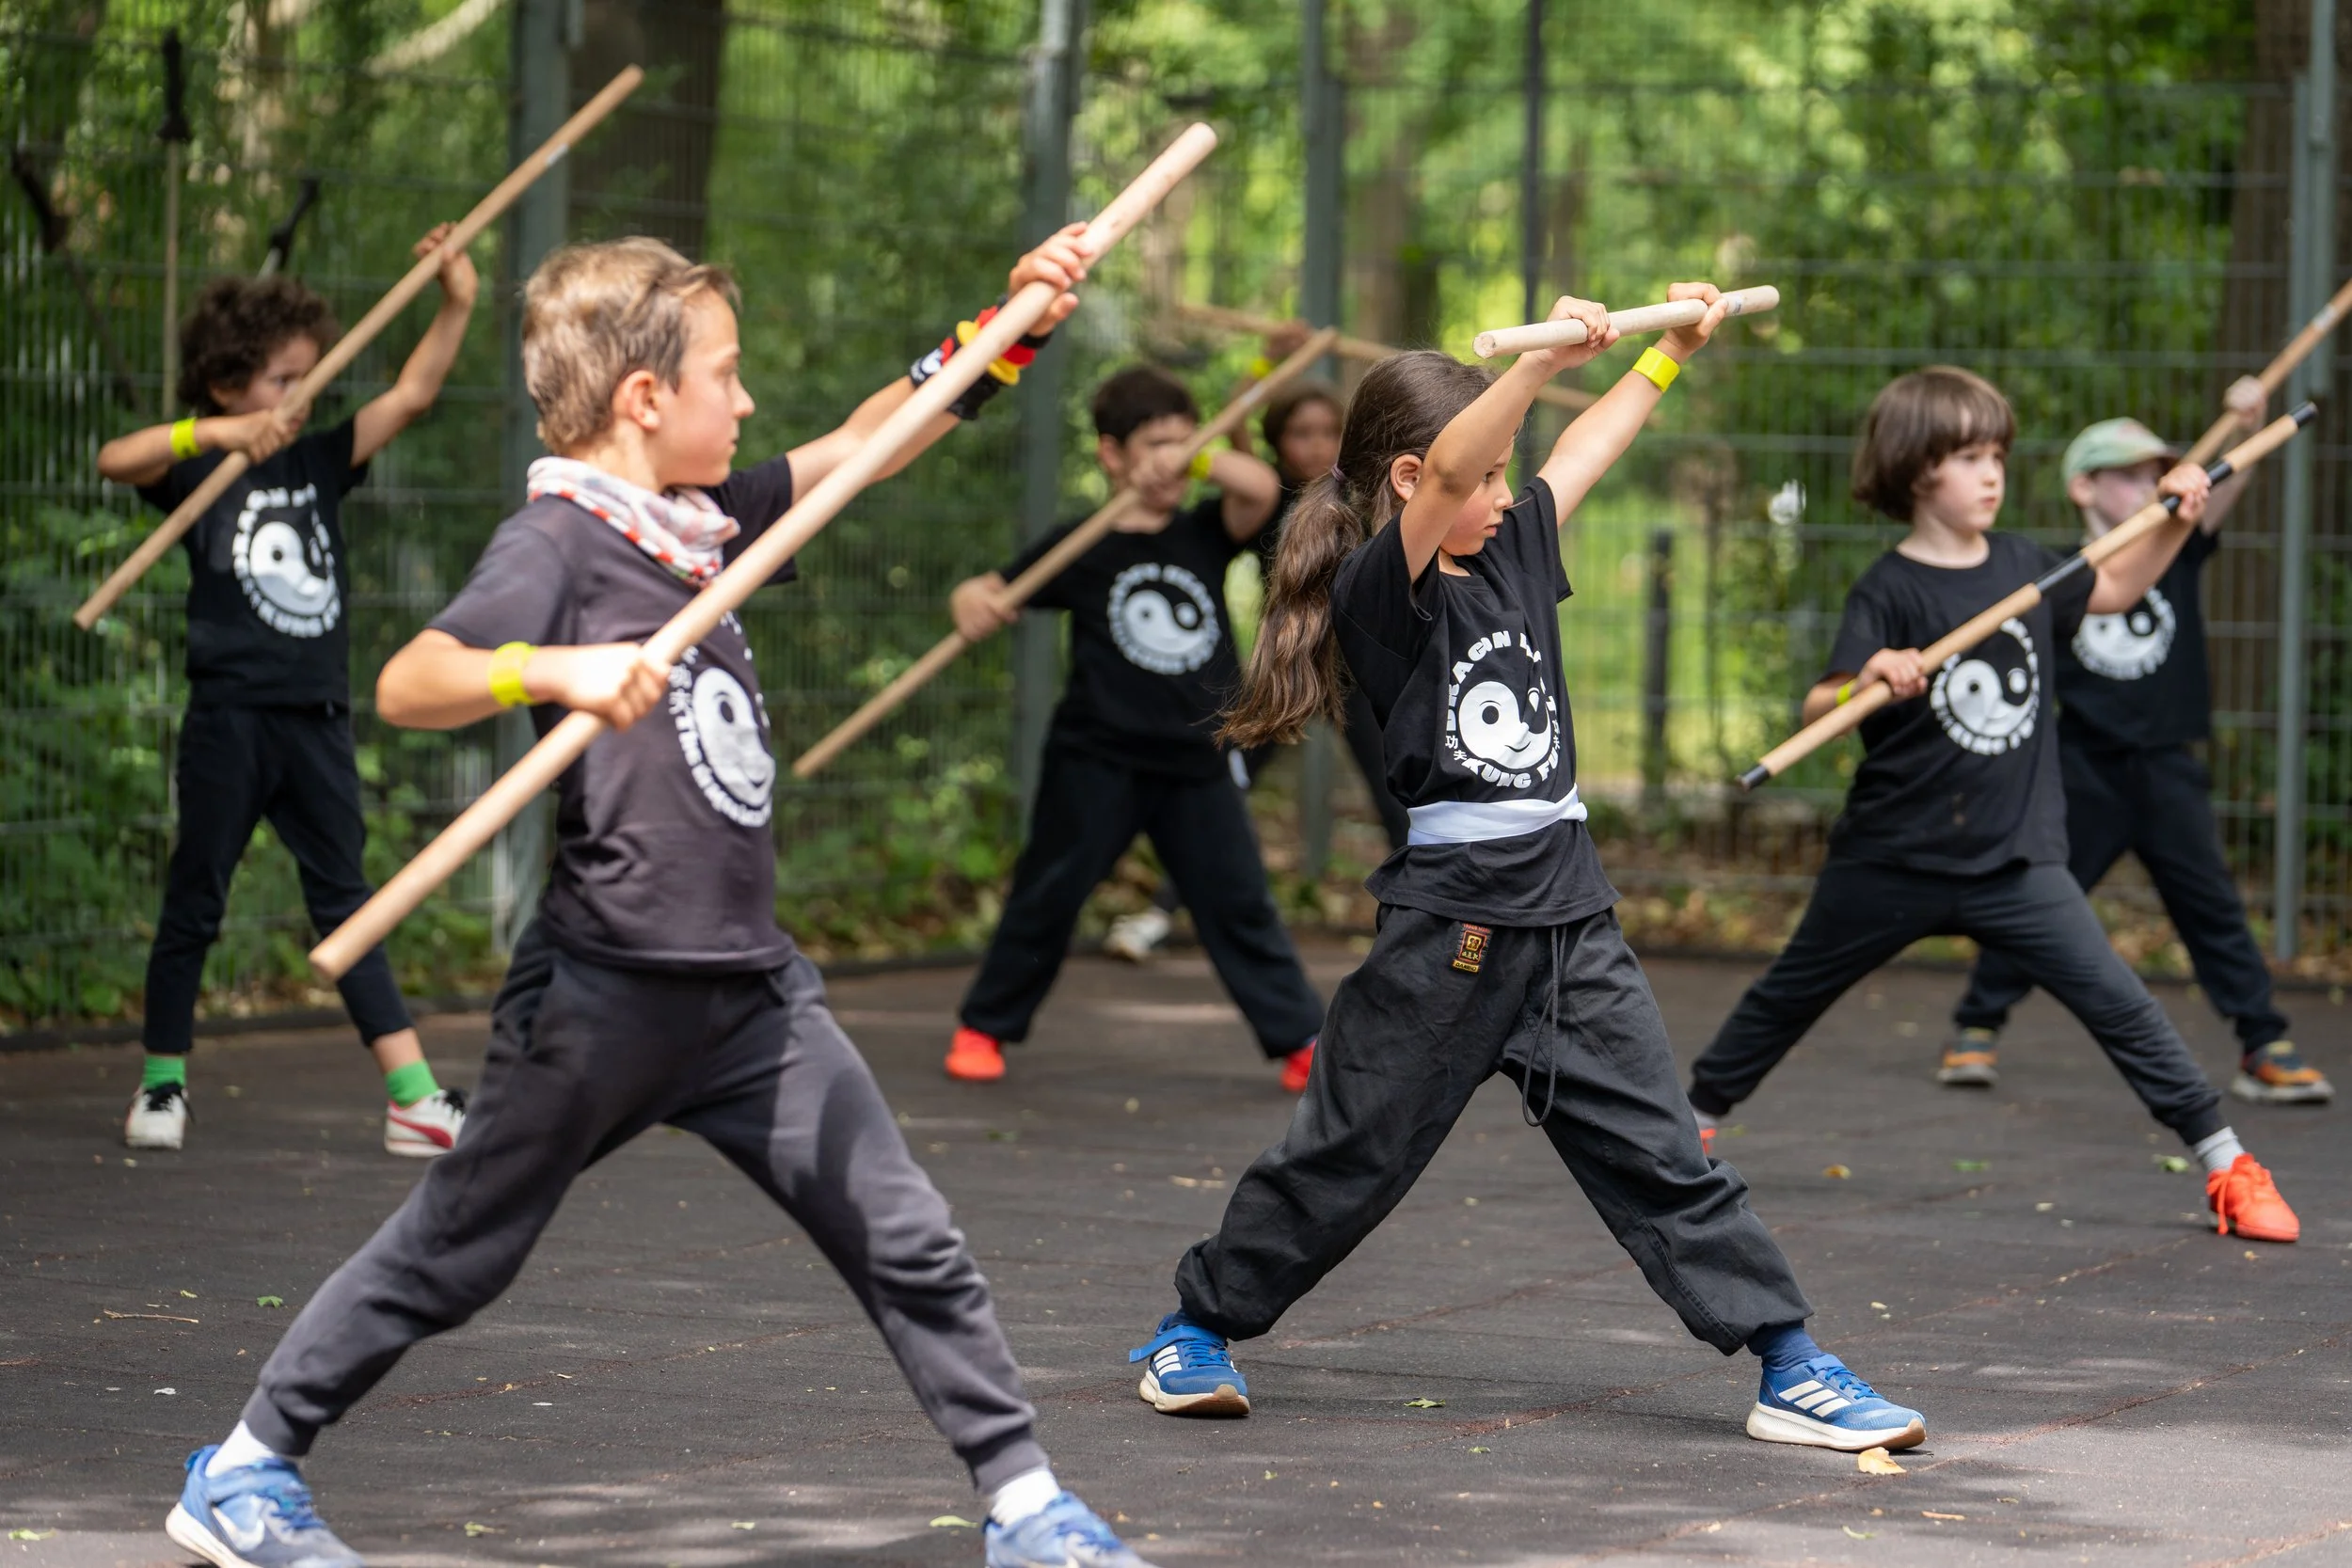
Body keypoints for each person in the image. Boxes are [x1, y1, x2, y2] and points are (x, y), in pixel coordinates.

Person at [163, 232, 1163, 1568]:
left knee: (906, 1233)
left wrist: (1015, 320)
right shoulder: (558, 540)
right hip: (602, 990)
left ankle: (1027, 1502)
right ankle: (244, 1468)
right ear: (645, 398)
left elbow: (878, 436)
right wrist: (555, 671)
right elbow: (416, 678)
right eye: (727, 375)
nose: (746, 404)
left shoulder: (713, 517)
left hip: (751, 993)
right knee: (457, 1247)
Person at [1124, 288, 1931, 1457]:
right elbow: (1464, 464)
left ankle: (1788, 1360)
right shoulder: (1379, 593)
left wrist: (1665, 353)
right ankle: (1194, 1325)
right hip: (1447, 928)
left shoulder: (1514, 544)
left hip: (1569, 913)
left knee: (1662, 1149)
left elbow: (1592, 442)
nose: (1510, 492)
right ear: (1410, 480)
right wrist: (1537, 364)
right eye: (1492, 474)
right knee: (1351, 1152)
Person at [1684, 368, 2301, 1245]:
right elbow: (1821, 710)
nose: (1992, 473)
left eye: (1997, 455)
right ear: (1915, 469)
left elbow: (2119, 587)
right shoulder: (1888, 588)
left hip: (2015, 859)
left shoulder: (2025, 566)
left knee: (2122, 1005)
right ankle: (1692, 1123)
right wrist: (1869, 676)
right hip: (1893, 855)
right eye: (1969, 457)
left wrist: (2178, 516)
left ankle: (2226, 1161)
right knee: (1789, 993)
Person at [96, 227, 478, 1158]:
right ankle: (162, 1084)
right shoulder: (199, 466)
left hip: (315, 719)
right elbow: (116, 456)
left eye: (309, 376)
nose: (299, 396)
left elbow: (415, 392)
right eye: (280, 380)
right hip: (229, 716)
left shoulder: (320, 457)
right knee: (197, 894)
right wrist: (218, 434)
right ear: (228, 386)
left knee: (349, 899)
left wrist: (456, 298)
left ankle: (413, 1097)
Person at [943, 366, 1327, 1092]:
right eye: (1155, 446)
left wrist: (1199, 456)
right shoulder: (1078, 546)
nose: (1171, 462)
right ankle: (983, 1026)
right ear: (1110, 454)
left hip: (1198, 757)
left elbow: (1263, 491)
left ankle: (1299, 1037)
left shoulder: (1205, 530)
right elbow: (990, 590)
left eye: (1186, 446)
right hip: (1097, 754)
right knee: (1049, 890)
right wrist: (971, 600)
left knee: (1238, 898)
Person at [1940, 411, 2330, 1106]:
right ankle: (1977, 1020)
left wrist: (2243, 424)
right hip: (2082, 766)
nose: (2147, 485)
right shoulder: (2058, 569)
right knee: (2038, 899)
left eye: (2154, 474)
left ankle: (2261, 1038)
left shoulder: (2176, 548)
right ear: (2083, 488)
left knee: (2210, 904)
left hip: (2166, 766)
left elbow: (2225, 484)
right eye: (2128, 476)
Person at [1104, 340, 1411, 962]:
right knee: (1221, 790)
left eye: (1330, 431)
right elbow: (1231, 420)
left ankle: (1426, 918)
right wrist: (1270, 363)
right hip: (1287, 676)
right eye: (1300, 432)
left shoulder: (1359, 496)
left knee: (1396, 797)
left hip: (1357, 677)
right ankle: (1159, 911)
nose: (1317, 444)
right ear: (1277, 442)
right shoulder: (1266, 495)